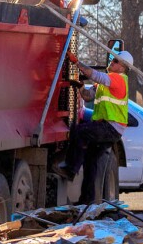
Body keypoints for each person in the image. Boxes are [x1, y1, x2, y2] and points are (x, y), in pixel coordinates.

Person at [54, 50, 134, 200]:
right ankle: (87, 200)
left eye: (116, 61)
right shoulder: (106, 81)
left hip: (110, 127)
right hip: (110, 129)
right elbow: (88, 96)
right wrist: (81, 87)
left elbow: (94, 74)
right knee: (90, 160)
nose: (112, 62)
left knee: (79, 131)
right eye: (112, 59)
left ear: (123, 68)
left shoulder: (118, 79)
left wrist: (76, 62)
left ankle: (70, 169)